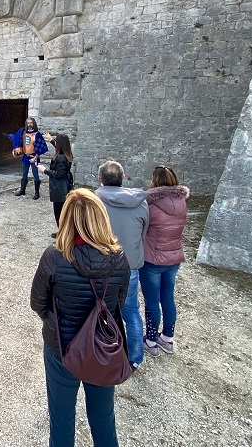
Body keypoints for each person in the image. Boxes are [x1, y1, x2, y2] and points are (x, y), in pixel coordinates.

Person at [30, 189, 130, 447]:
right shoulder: (119, 259)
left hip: (62, 345)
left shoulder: (54, 256)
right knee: (103, 417)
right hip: (102, 346)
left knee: (62, 419)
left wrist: (55, 322)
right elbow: (118, 302)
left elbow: (38, 302)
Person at [94, 158, 148, 370]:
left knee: (97, 311)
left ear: (100, 179)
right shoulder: (141, 202)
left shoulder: (94, 202)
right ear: (123, 178)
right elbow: (143, 233)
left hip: (100, 264)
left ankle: (102, 353)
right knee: (131, 312)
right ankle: (134, 358)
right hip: (129, 265)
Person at [140, 165, 190, 357]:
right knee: (168, 298)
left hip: (153, 259)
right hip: (174, 257)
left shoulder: (150, 205)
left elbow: (143, 228)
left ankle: (151, 340)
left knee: (152, 301)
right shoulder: (182, 203)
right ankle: (167, 337)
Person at [36, 134, 74, 228]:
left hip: (59, 188)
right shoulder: (68, 154)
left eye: (57, 141)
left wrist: (44, 170)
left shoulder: (61, 158)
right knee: (62, 212)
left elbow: (58, 174)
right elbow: (60, 148)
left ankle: (62, 234)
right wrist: (51, 140)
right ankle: (62, 232)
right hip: (65, 185)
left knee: (59, 213)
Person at [9, 117, 48, 199]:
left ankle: (37, 193)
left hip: (34, 157)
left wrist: (35, 158)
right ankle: (22, 190)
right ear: (26, 124)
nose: (29, 124)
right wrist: (15, 149)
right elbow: (18, 142)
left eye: (31, 123)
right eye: (28, 123)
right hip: (25, 157)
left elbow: (41, 147)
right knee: (24, 174)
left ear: (33, 123)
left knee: (35, 175)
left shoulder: (37, 134)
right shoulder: (23, 133)